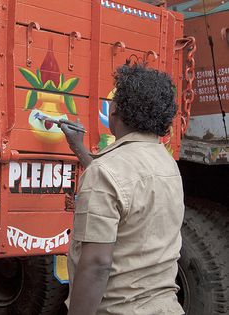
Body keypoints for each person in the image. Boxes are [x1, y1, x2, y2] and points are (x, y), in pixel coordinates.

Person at [61, 64, 185, 315]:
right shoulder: (166, 162)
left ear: (114, 109)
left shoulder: (106, 172)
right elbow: (123, 186)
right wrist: (79, 149)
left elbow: (96, 265)